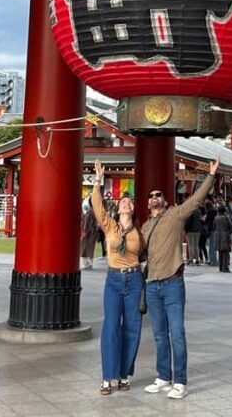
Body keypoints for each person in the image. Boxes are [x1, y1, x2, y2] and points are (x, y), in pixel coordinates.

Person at [142, 157, 220, 400]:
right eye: (151, 195)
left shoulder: (175, 215)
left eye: (158, 195)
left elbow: (196, 200)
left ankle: (181, 381)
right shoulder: (145, 226)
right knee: (158, 334)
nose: (154, 197)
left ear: (165, 201)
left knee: (176, 332)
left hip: (173, 283)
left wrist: (211, 176)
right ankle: (163, 376)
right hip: (151, 285)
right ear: (148, 203)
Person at [91, 159, 145, 395]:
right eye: (123, 201)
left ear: (132, 209)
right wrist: (98, 181)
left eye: (129, 202)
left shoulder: (139, 232)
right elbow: (97, 207)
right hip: (113, 280)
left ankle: (124, 373)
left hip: (134, 280)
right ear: (118, 207)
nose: (126, 203)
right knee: (111, 326)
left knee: (132, 327)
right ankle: (107, 376)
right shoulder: (110, 226)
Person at [214, 205, 232, 272]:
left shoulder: (216, 218)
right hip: (225, 235)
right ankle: (225, 267)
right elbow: (231, 226)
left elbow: (214, 226)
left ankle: (220, 267)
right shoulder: (226, 217)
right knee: (225, 252)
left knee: (220, 252)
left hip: (218, 235)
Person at [80, 197, 97, 269]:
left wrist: (84, 232)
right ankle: (89, 263)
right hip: (92, 233)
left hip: (88, 233)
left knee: (84, 248)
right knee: (90, 248)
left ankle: (86, 263)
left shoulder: (89, 213)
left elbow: (87, 223)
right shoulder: (94, 211)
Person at [205, 198, 218, 266]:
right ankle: (214, 260)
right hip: (215, 229)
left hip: (211, 229)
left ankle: (213, 261)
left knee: (211, 246)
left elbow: (207, 221)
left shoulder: (210, 212)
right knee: (213, 246)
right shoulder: (215, 211)